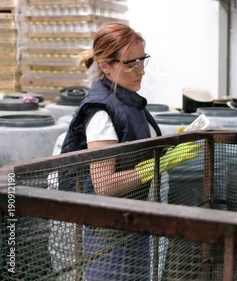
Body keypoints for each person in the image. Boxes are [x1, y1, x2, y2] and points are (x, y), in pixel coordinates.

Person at [59, 22, 200, 281]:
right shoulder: (102, 111)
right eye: (130, 63)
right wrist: (157, 165)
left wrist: (168, 144)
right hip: (107, 231)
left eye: (142, 60)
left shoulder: (126, 99)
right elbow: (104, 184)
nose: (141, 70)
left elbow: (132, 147)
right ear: (105, 66)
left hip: (131, 221)